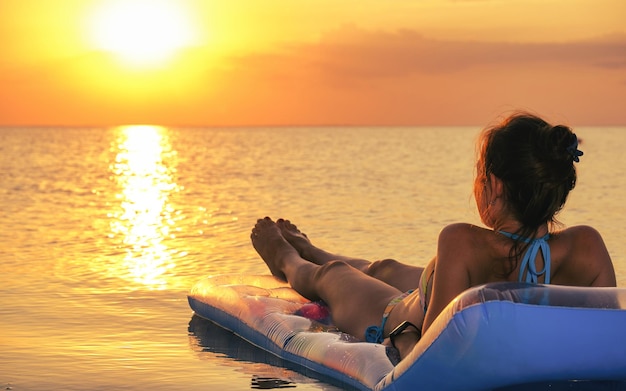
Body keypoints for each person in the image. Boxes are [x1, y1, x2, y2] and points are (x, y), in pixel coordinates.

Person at [250, 112, 616, 361]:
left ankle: (286, 256)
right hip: (439, 287)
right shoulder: (588, 247)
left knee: (333, 276)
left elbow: (429, 356)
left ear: (495, 186)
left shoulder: (463, 243)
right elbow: (607, 341)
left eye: (479, 176)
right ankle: (312, 247)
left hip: (400, 314)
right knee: (385, 267)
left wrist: (401, 339)